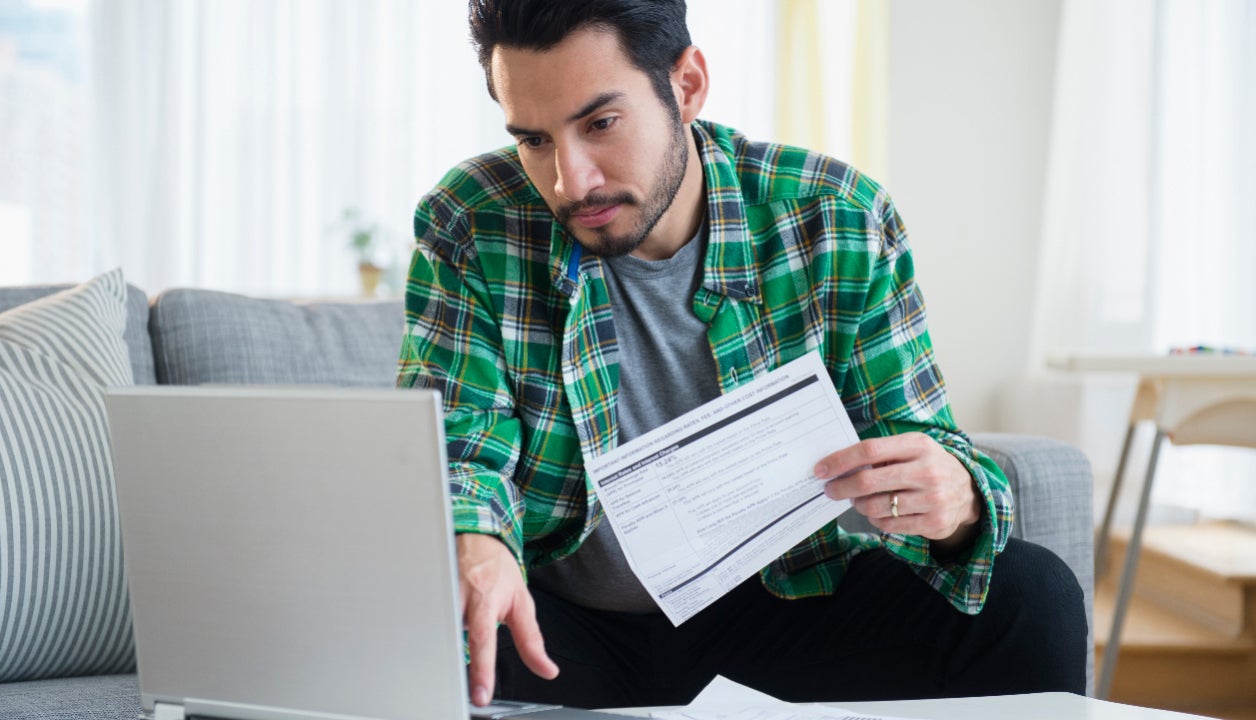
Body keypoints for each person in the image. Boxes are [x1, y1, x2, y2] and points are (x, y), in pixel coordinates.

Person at [398, 0, 1086, 709]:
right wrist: (475, 539)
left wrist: (958, 499)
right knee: (418, 612)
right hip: (559, 630)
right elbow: (460, 450)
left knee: (1031, 595)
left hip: (781, 611)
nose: (572, 181)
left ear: (687, 85)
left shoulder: (835, 216)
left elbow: (923, 441)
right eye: (535, 141)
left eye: (600, 124)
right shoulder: (471, 220)